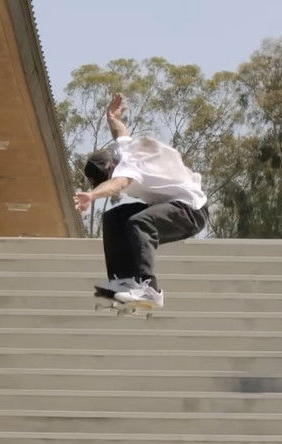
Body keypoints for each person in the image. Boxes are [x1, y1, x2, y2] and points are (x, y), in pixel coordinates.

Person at [74, 93, 209, 309]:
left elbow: (119, 183)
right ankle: (123, 282)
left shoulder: (127, 168)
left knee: (139, 222)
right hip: (171, 207)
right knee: (113, 218)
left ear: (111, 169)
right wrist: (112, 117)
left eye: (107, 178)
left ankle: (150, 290)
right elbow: (120, 133)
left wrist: (92, 196)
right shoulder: (123, 151)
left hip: (191, 212)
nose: (111, 180)